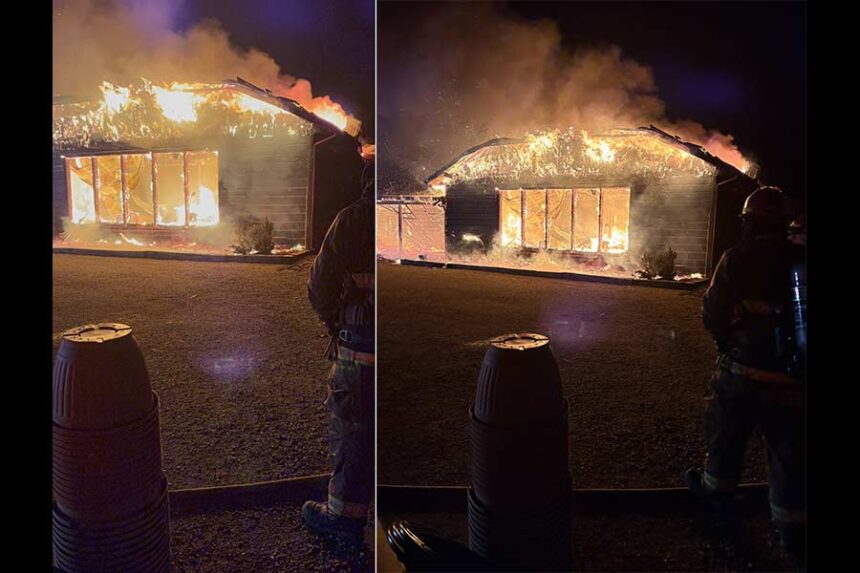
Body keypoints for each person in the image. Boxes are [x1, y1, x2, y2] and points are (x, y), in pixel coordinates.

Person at [685, 186, 806, 563]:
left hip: (741, 375)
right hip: (793, 381)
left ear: (749, 222)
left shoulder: (735, 259)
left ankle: (718, 508)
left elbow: (712, 312)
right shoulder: (801, 261)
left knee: (725, 441)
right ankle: (792, 534)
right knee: (790, 458)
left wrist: (727, 344)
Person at [303, 151, 375, 544]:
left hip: (360, 351)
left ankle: (344, 519)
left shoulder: (354, 220)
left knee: (354, 430)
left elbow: (319, 289)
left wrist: (336, 320)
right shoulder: (410, 217)